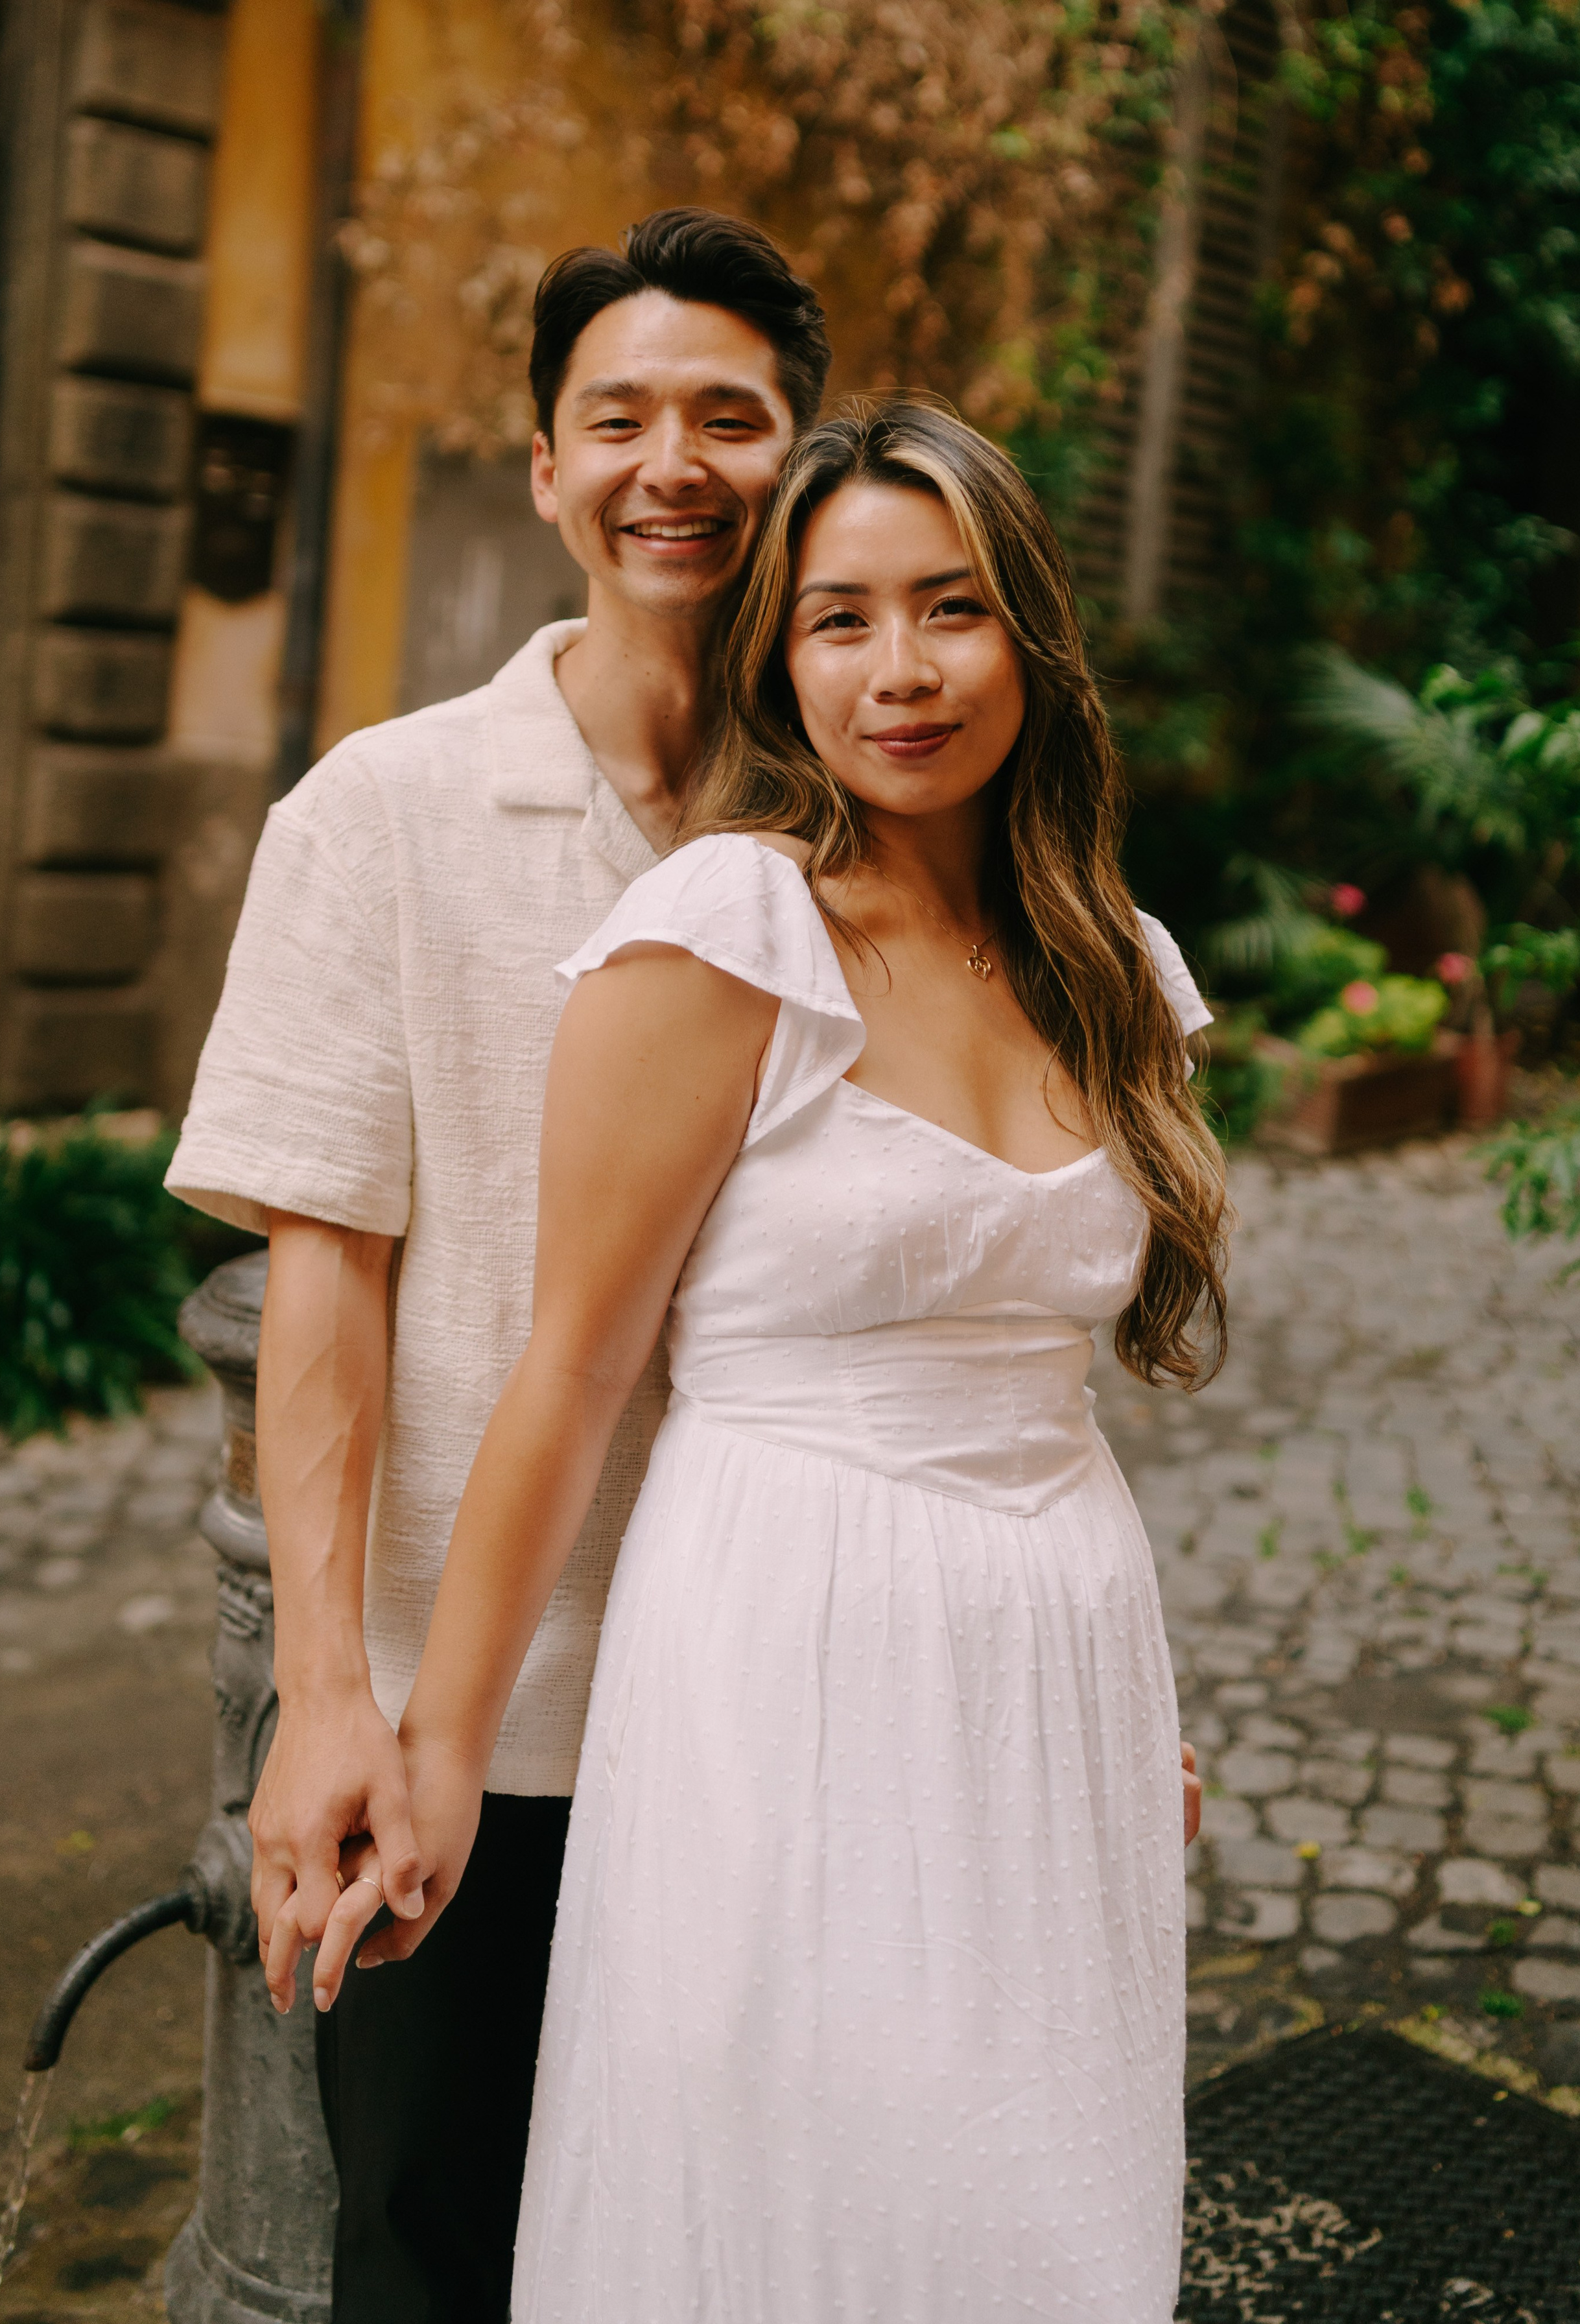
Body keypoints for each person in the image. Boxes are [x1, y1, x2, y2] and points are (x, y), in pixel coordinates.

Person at [314, 398, 1226, 2318]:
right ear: (779, 659)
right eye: (840, 619)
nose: (903, 672)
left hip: (1058, 1652)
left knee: (1030, 2208)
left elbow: (1033, 1364)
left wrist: (1129, 1712)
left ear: (1031, 635)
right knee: (800, 2186)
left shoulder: (1114, 963)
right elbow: (570, 1374)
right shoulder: (727, 934)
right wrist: (441, 1755)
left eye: (953, 608)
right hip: (785, 1643)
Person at [165, 209, 831, 2323]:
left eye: (729, 418)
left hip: (787, 1698)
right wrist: (326, 1699)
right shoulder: (382, 814)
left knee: (743, 2257)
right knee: (431, 2252)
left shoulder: (869, 817)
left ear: (801, 456)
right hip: (482, 1718)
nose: (673, 466)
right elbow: (326, 1273)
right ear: (546, 469)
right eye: (617, 419)